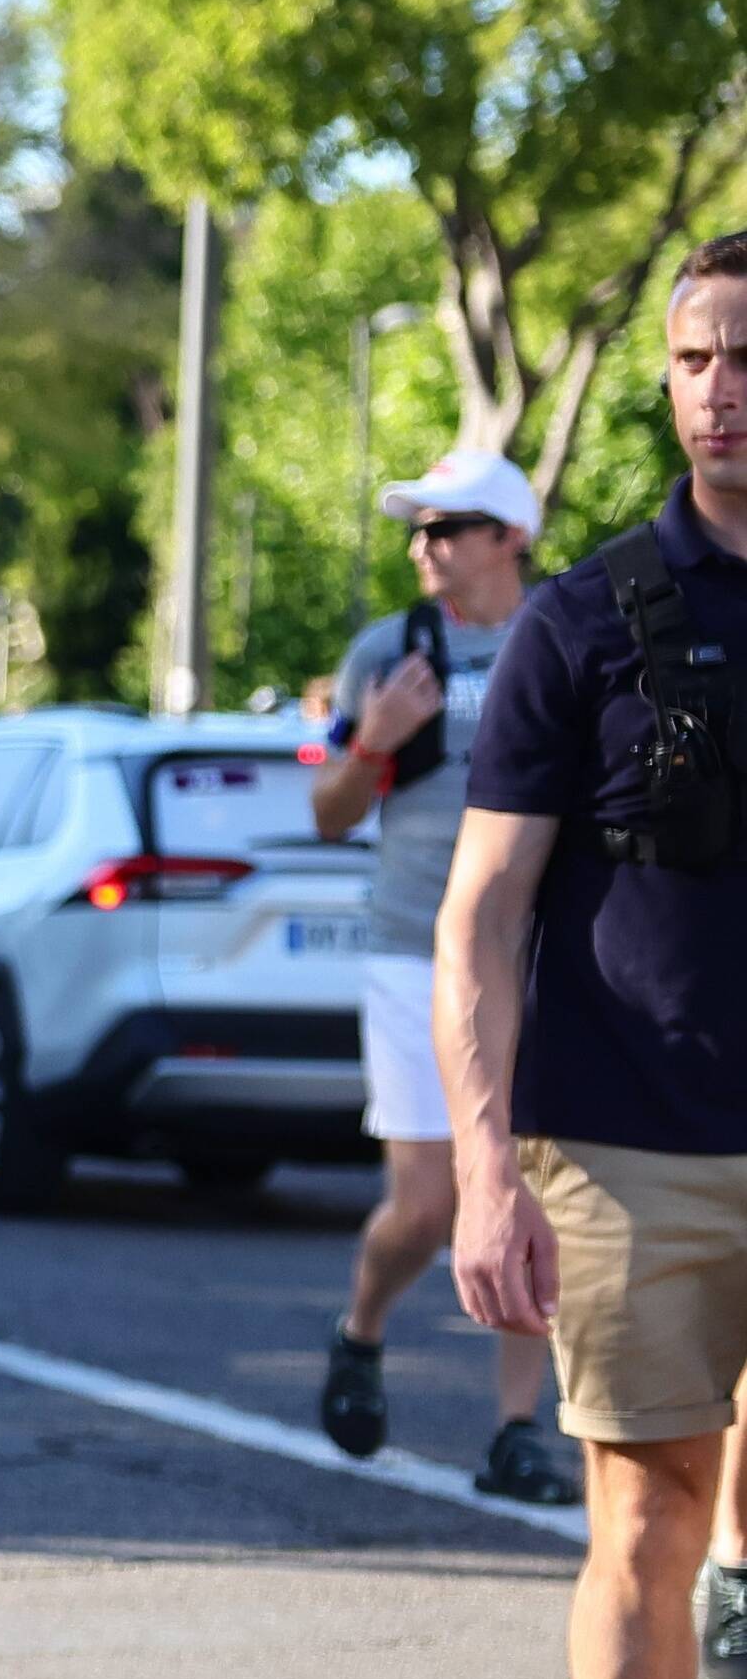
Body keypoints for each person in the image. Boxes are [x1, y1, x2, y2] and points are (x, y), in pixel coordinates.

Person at [445, 232, 747, 1679]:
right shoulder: (586, 617)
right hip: (630, 1142)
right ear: (668, 380)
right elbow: (485, 909)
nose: (728, 384)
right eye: (701, 354)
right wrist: (485, 1164)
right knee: (648, 1519)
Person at [312, 449, 570, 1505]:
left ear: (509, 536)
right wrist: (374, 742)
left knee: (527, 1193)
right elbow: (326, 812)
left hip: (538, 955)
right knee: (423, 1208)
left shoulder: (564, 637)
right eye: (416, 531)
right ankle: (359, 1328)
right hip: (408, 950)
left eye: (447, 527)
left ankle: (515, 1429)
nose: (425, 548)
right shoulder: (388, 650)